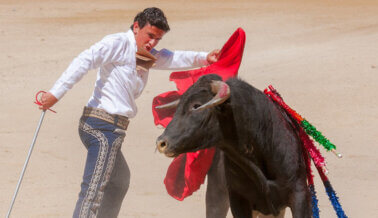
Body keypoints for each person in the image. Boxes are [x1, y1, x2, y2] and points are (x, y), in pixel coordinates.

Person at [39, 7, 220, 218]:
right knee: (93, 190)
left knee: (119, 181)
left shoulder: (144, 54)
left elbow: (171, 58)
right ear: (136, 27)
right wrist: (55, 93)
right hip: (101, 126)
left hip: (111, 128)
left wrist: (204, 58)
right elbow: (84, 60)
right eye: (150, 35)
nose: (152, 43)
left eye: (157, 39)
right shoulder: (118, 43)